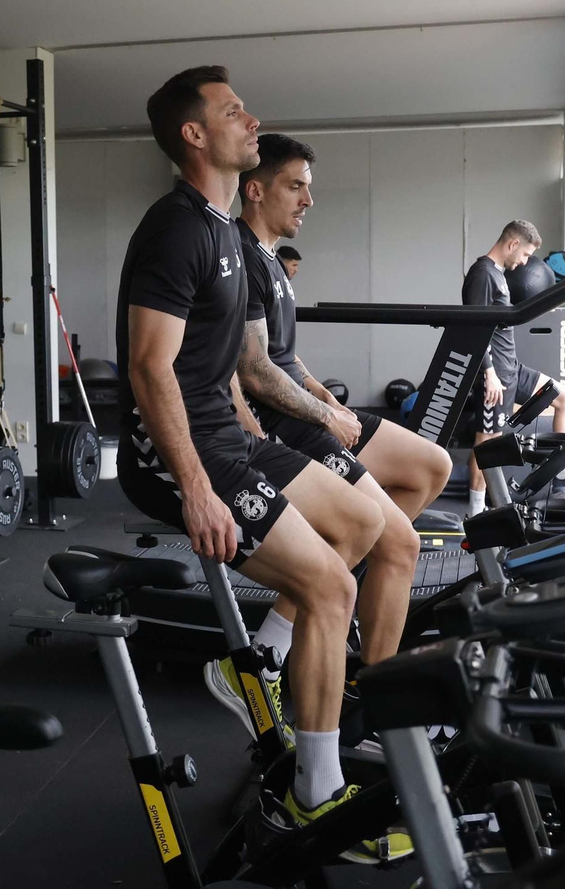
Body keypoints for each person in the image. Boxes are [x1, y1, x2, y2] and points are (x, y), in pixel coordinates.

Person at [115, 66, 408, 860]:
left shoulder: (222, 232)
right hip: (180, 453)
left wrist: (271, 434)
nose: (253, 119)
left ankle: (265, 659)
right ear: (195, 134)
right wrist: (202, 490)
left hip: (225, 433)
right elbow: (150, 368)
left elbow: (237, 363)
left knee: (368, 523)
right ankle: (315, 795)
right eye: (234, 111)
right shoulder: (175, 227)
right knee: (330, 584)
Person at [230, 132, 452, 668]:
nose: (308, 200)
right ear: (256, 190)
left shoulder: (271, 260)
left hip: (305, 407)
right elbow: (254, 371)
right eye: (296, 186)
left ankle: (346, 579)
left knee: (431, 466)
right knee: (402, 546)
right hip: (284, 426)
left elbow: (281, 356)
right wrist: (325, 413)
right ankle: (375, 698)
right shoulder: (239, 256)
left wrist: (322, 391)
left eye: (309, 187)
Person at [463, 220, 565, 517]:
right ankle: (474, 515)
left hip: (511, 369)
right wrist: (488, 374)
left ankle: (562, 475)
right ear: (512, 244)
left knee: (564, 397)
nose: (525, 262)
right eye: (525, 255)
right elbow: (474, 327)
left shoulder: (498, 274)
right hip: (494, 376)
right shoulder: (482, 274)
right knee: (486, 446)